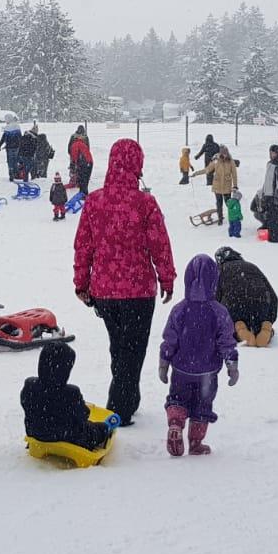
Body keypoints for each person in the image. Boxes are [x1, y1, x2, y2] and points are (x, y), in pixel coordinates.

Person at [72, 138, 176, 427]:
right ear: (137, 165)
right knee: (133, 350)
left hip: (104, 291)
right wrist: (166, 277)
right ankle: (119, 407)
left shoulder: (94, 201)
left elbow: (84, 246)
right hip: (139, 291)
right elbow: (160, 245)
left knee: (119, 347)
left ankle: (128, 397)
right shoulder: (145, 203)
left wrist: (82, 283)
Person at [157, 252, 239, 457]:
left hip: (181, 369)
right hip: (207, 372)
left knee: (177, 398)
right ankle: (195, 442)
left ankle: (175, 425)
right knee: (203, 405)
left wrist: (164, 362)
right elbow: (226, 341)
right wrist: (232, 365)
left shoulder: (179, 309)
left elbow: (170, 338)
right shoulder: (218, 311)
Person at [22, 341, 113, 452]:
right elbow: (82, 416)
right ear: (65, 371)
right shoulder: (71, 393)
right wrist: (84, 410)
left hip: (35, 432)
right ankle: (105, 430)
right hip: (68, 437)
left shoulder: (30, 385)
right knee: (99, 429)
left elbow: (26, 404)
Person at [212, 247, 278, 346]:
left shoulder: (220, 270)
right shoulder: (252, 266)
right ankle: (265, 326)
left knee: (233, 323)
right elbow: (272, 294)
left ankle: (239, 329)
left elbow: (215, 297)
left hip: (234, 303)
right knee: (259, 322)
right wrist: (269, 317)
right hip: (262, 302)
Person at [190, 144, 239, 224]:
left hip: (227, 186)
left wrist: (235, 185)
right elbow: (207, 170)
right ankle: (220, 218)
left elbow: (234, 174)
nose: (224, 155)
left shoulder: (231, 161)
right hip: (217, 186)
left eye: (225, 153)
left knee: (228, 203)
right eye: (223, 153)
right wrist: (196, 173)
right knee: (219, 203)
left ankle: (233, 216)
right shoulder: (216, 161)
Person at [258, 145, 278, 243]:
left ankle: (276, 237)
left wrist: (277, 197)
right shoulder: (270, 163)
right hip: (267, 194)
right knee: (267, 216)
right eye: (270, 152)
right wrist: (262, 192)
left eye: (273, 153)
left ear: (277, 153)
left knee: (274, 216)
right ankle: (268, 235)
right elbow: (267, 180)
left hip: (274, 195)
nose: (271, 154)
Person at [68, 126, 94, 195]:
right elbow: (88, 148)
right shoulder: (85, 137)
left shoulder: (73, 137)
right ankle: (82, 189)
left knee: (79, 172)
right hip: (86, 160)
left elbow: (69, 149)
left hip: (84, 160)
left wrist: (74, 161)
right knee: (84, 177)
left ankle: (79, 187)